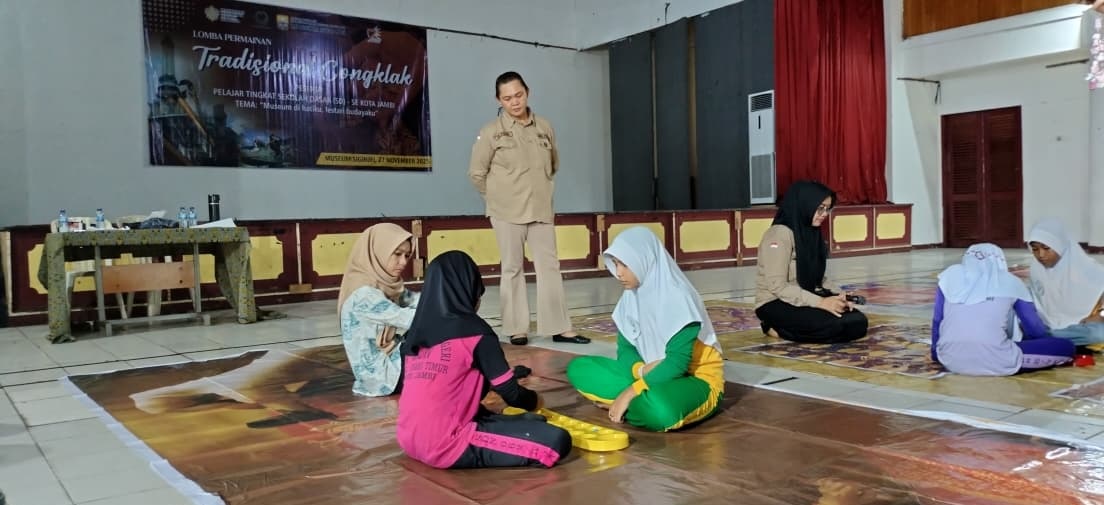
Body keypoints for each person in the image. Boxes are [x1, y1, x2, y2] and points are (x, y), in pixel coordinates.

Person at [396, 251, 572, 469]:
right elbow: (512, 394)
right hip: (447, 443)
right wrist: (536, 402)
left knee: (530, 423)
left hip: (409, 440)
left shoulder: (413, 336)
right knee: (555, 440)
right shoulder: (476, 333)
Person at [468, 71, 588, 347]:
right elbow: (476, 173)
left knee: (550, 267)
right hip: (506, 211)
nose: (514, 102)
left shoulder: (544, 126)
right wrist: (497, 198)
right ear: (499, 100)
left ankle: (560, 328)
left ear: (527, 92)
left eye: (518, 95)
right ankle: (516, 328)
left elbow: (554, 164)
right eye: (507, 98)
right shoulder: (490, 133)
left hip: (540, 208)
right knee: (512, 268)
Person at [565, 227, 725, 432]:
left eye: (625, 264)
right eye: (615, 264)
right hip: (648, 373)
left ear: (645, 260)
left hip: (695, 379)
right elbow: (625, 350)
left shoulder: (678, 298)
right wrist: (640, 370)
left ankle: (628, 404)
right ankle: (635, 404)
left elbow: (677, 364)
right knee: (580, 369)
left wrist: (630, 392)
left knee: (661, 411)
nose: (619, 273)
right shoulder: (630, 298)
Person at [931, 243, 1074, 376]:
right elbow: (1033, 328)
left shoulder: (949, 277)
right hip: (998, 360)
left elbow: (938, 320)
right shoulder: (1011, 282)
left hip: (949, 359)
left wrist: (936, 354)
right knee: (1066, 346)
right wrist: (1040, 345)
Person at [754, 180, 868, 343]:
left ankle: (792, 327)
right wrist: (821, 302)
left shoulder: (811, 232)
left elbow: (818, 279)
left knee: (857, 321)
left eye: (827, 209)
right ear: (805, 204)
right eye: (820, 208)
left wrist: (839, 296)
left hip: (805, 296)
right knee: (833, 325)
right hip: (775, 302)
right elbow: (777, 286)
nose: (824, 214)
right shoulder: (779, 234)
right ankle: (773, 327)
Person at [336, 223, 420, 397]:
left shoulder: (381, 284)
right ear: (378, 252)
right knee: (442, 336)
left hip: (386, 364)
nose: (403, 262)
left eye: (406, 255)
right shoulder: (364, 295)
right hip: (385, 375)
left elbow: (413, 300)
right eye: (397, 254)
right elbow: (413, 319)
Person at [1027, 218, 1104, 346]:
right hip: (1047, 324)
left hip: (1083, 326)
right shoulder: (1037, 269)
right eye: (1035, 249)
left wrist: (1100, 315)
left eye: (1046, 248)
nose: (1041, 255)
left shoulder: (1089, 269)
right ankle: (1050, 338)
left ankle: (1047, 339)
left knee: (1099, 334)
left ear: (1060, 245)